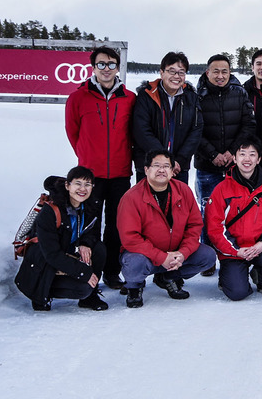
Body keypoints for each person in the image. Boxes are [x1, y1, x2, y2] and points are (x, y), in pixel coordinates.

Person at [64, 45, 135, 290]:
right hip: (90, 177)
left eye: (111, 64)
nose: (107, 69)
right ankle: (89, 271)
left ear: (118, 67)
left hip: (120, 173)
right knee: (90, 225)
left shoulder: (129, 98)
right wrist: (86, 157)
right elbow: (72, 132)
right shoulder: (78, 97)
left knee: (117, 225)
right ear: (93, 67)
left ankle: (113, 272)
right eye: (101, 64)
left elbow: (133, 133)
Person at [117, 150, 217, 308]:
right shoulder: (131, 198)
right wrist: (161, 257)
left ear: (172, 170)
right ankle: (135, 287)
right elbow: (130, 238)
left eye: (166, 166)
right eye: (156, 165)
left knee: (207, 256)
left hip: (175, 253)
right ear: (146, 169)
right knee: (134, 263)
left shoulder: (183, 191)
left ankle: (168, 277)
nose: (161, 170)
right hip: (146, 256)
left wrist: (183, 253)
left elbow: (195, 225)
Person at [194, 53, 257, 277]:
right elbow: (194, 130)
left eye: (224, 71)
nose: (220, 76)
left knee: (238, 211)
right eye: (216, 71)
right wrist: (212, 154)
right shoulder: (196, 96)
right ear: (207, 72)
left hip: (234, 166)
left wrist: (232, 152)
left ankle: (234, 254)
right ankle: (209, 256)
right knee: (208, 212)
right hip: (207, 165)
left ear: (230, 73)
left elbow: (248, 124)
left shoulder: (239, 93)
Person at [206, 136, 262, 300]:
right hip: (233, 250)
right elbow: (214, 227)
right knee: (237, 293)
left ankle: (260, 276)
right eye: (242, 154)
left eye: (252, 154)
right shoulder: (222, 189)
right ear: (235, 158)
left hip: (260, 247)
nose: (247, 159)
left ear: (258, 159)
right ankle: (229, 276)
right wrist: (236, 251)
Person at [14, 167, 109, 312]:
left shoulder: (89, 205)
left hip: (63, 257)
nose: (82, 189)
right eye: (78, 183)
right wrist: (84, 272)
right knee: (83, 288)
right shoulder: (50, 211)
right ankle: (41, 294)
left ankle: (89, 298)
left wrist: (85, 244)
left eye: (87, 184)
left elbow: (92, 233)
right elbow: (51, 254)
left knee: (98, 249)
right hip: (43, 265)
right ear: (67, 185)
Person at [131, 51, 202, 184]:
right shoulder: (147, 95)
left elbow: (196, 130)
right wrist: (165, 161)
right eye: (172, 71)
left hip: (178, 168)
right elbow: (142, 130)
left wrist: (179, 160)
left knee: (177, 204)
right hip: (150, 166)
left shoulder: (191, 97)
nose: (177, 76)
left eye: (181, 72)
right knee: (146, 203)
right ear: (162, 72)